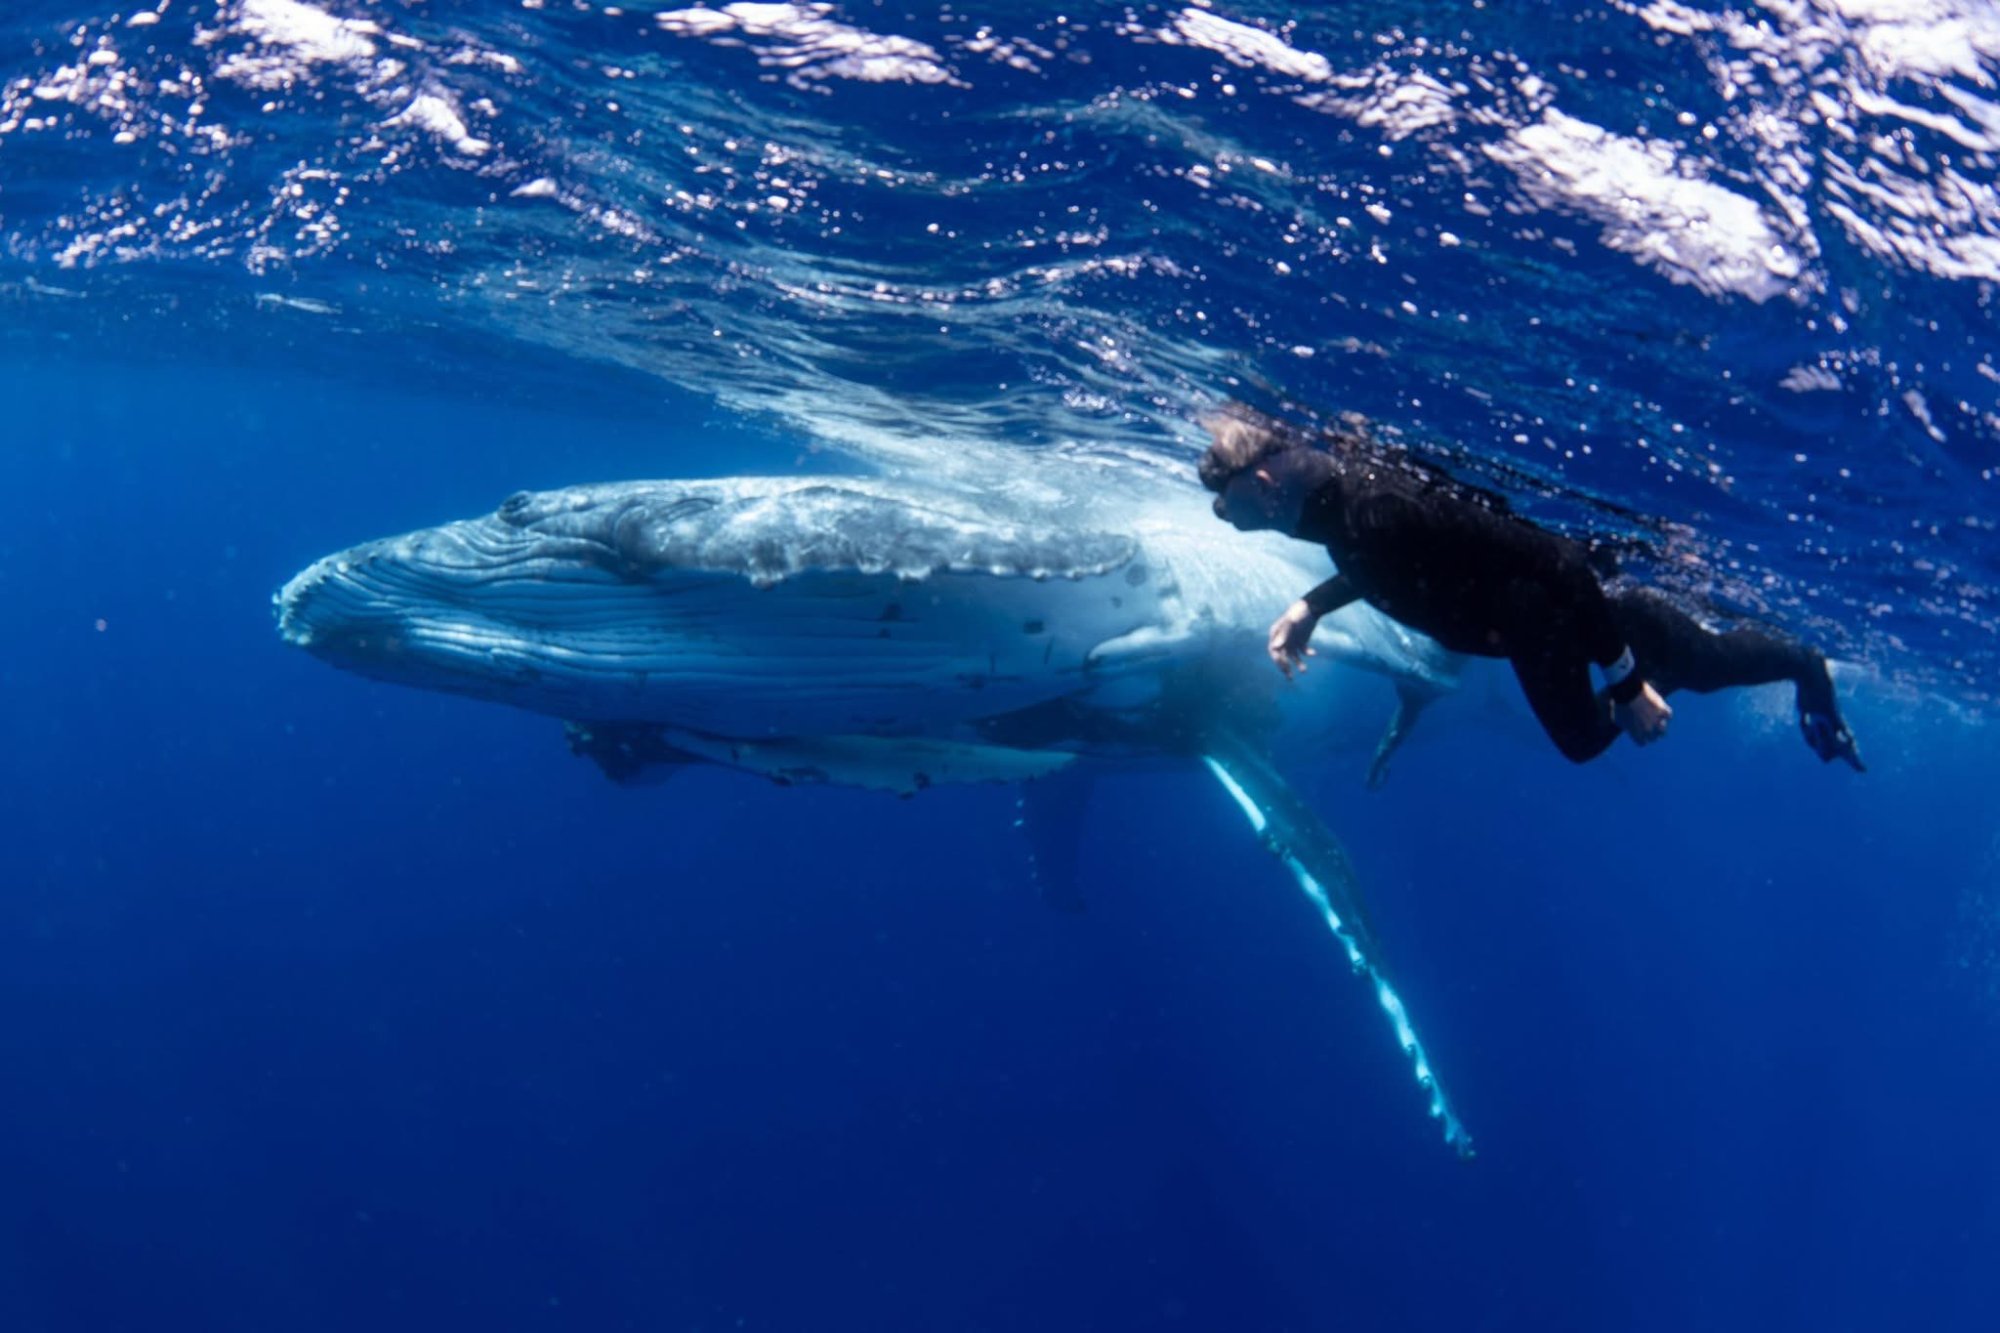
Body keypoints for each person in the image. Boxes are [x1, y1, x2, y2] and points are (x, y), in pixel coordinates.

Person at [1198, 404, 1864, 770]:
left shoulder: (1375, 505)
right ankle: (1681, 664)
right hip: (1537, 629)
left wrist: (1628, 685)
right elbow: (1385, 563)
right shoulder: (1340, 514)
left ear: (1264, 484)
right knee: (1596, 730)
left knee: (1706, 669)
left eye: (1231, 506)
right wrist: (1309, 606)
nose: (1227, 520)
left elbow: (1558, 560)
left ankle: (1807, 666)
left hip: (1587, 615)